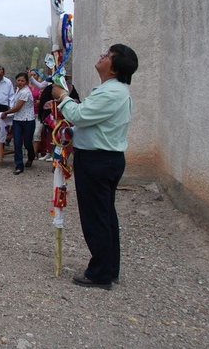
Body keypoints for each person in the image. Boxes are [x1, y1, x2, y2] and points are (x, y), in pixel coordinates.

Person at [51, 44, 139, 290]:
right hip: (105, 158)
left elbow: (79, 115)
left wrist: (61, 96)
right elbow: (89, 121)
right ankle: (109, 268)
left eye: (108, 56)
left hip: (98, 160)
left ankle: (100, 273)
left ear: (114, 68)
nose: (102, 56)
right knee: (105, 215)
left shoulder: (111, 93)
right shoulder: (112, 90)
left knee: (96, 218)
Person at [1, 72, 36, 175]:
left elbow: (18, 107)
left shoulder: (25, 92)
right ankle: (19, 165)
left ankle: (31, 156)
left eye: (22, 81)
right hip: (17, 120)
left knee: (27, 142)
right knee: (17, 142)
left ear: (26, 82)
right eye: (18, 80)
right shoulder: (18, 90)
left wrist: (6, 113)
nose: (20, 82)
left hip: (28, 120)